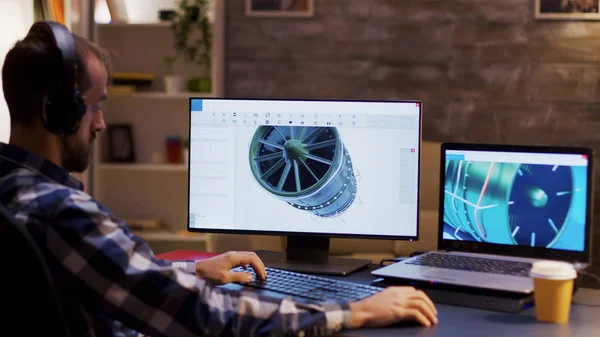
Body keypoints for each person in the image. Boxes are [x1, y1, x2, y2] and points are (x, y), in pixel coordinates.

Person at [0, 21, 438, 337]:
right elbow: (207, 316)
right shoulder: (66, 214)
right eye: (95, 106)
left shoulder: (13, 191)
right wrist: (355, 312)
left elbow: (111, 274)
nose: (100, 124)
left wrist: (192, 268)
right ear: (57, 111)